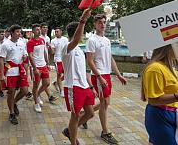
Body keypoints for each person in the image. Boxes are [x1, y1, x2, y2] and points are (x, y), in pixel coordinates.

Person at [85, 14, 127, 144]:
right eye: (99, 22)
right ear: (95, 24)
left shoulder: (107, 40)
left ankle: (85, 116)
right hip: (98, 76)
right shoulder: (92, 40)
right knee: (104, 103)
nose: (102, 24)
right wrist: (99, 76)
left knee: (106, 103)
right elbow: (90, 61)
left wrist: (118, 75)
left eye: (104, 22)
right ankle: (105, 132)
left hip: (107, 75)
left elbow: (111, 59)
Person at [61, 9, 96, 145]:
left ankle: (70, 130)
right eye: (81, 30)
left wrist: (91, 86)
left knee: (90, 113)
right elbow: (75, 40)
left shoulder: (79, 51)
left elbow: (83, 70)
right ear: (76, 32)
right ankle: (73, 140)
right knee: (75, 116)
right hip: (73, 87)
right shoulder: (66, 48)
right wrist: (83, 20)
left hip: (84, 86)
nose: (83, 33)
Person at [142, 45, 178, 145]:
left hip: (171, 114)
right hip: (161, 115)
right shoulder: (155, 68)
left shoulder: (169, 67)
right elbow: (153, 100)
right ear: (168, 48)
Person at [0, 25, 29, 125]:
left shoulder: (22, 42)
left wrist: (25, 56)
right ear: (11, 33)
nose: (19, 33)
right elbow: (2, 59)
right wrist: (2, 74)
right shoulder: (5, 44)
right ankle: (11, 113)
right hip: (10, 71)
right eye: (17, 32)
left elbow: (25, 55)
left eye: (20, 32)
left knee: (25, 91)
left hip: (20, 70)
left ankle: (14, 102)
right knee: (11, 92)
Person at [27, 24, 52, 113]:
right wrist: (34, 68)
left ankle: (37, 95)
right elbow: (30, 55)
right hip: (36, 67)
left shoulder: (42, 40)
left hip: (43, 65)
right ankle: (36, 103)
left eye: (39, 29)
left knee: (47, 83)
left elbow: (44, 52)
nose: (39, 31)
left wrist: (47, 63)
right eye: (37, 30)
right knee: (36, 85)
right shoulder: (30, 42)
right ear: (33, 31)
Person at [39, 23, 57, 104]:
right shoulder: (38, 38)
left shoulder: (47, 38)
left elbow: (49, 52)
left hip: (45, 61)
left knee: (45, 82)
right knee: (40, 82)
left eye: (46, 27)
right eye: (44, 27)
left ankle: (48, 96)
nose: (45, 29)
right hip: (38, 62)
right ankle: (37, 95)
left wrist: (48, 61)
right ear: (40, 28)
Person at [50, 27, 68, 97]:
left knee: (66, 74)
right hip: (57, 60)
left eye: (57, 31)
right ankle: (62, 91)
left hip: (65, 59)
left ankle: (55, 82)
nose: (56, 33)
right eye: (55, 32)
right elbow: (53, 52)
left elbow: (67, 49)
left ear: (61, 32)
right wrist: (50, 47)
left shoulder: (65, 39)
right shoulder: (53, 41)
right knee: (59, 75)